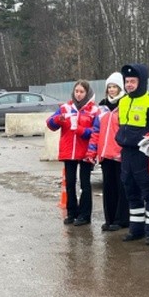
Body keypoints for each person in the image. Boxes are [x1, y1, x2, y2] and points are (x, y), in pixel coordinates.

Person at [115, 63, 149, 244]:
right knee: (130, 189)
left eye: (132, 81)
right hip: (126, 152)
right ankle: (136, 229)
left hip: (144, 153)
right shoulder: (123, 101)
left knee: (148, 191)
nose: (129, 85)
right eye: (127, 82)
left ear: (141, 82)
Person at [46, 79, 97, 226]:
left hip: (86, 152)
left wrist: (81, 131)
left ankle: (85, 215)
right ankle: (71, 212)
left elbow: (96, 131)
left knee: (85, 184)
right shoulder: (65, 108)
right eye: (77, 91)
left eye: (82, 92)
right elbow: (50, 125)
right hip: (69, 151)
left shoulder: (93, 110)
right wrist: (58, 119)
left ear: (87, 93)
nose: (79, 94)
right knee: (69, 183)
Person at [89, 73, 129, 232]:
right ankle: (109, 218)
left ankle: (121, 219)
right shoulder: (102, 107)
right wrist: (92, 150)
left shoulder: (125, 104)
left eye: (114, 87)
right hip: (105, 154)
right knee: (108, 188)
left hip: (119, 154)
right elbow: (96, 131)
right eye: (109, 87)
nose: (112, 90)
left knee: (121, 188)